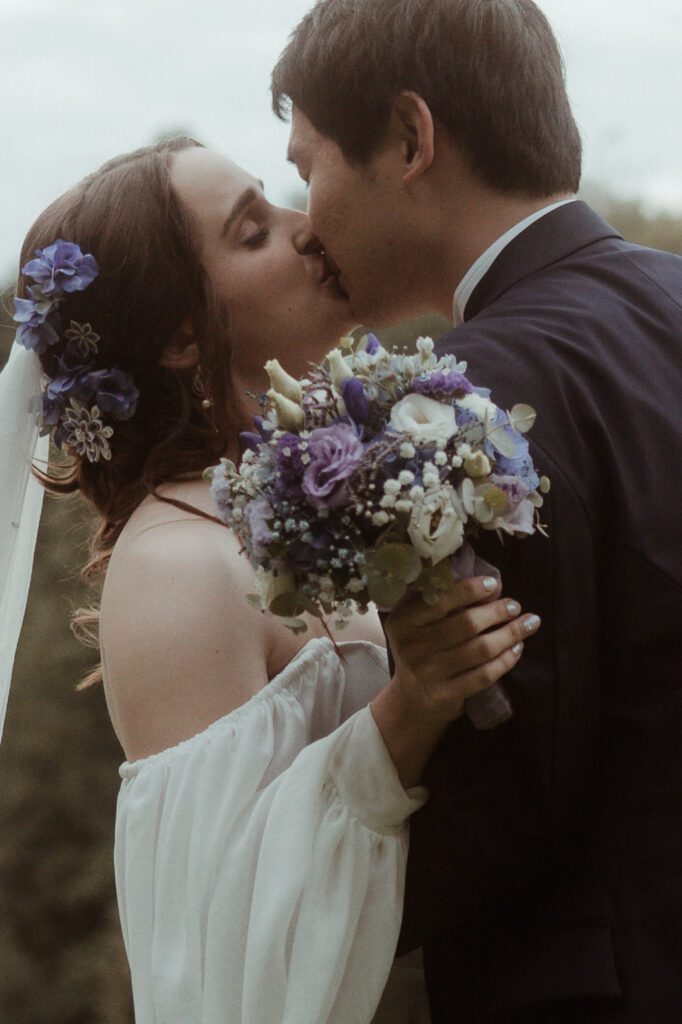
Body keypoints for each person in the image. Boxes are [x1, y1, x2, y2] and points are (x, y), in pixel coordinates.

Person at [0, 136, 540, 1023]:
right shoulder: (174, 567)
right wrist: (408, 710)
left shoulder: (309, 498)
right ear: (182, 337)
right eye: (254, 231)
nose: (307, 226)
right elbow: (223, 946)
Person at [272, 0, 682, 1021]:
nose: (306, 221)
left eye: (307, 165)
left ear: (410, 138)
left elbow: (510, 789)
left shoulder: (466, 391)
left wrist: (295, 878)